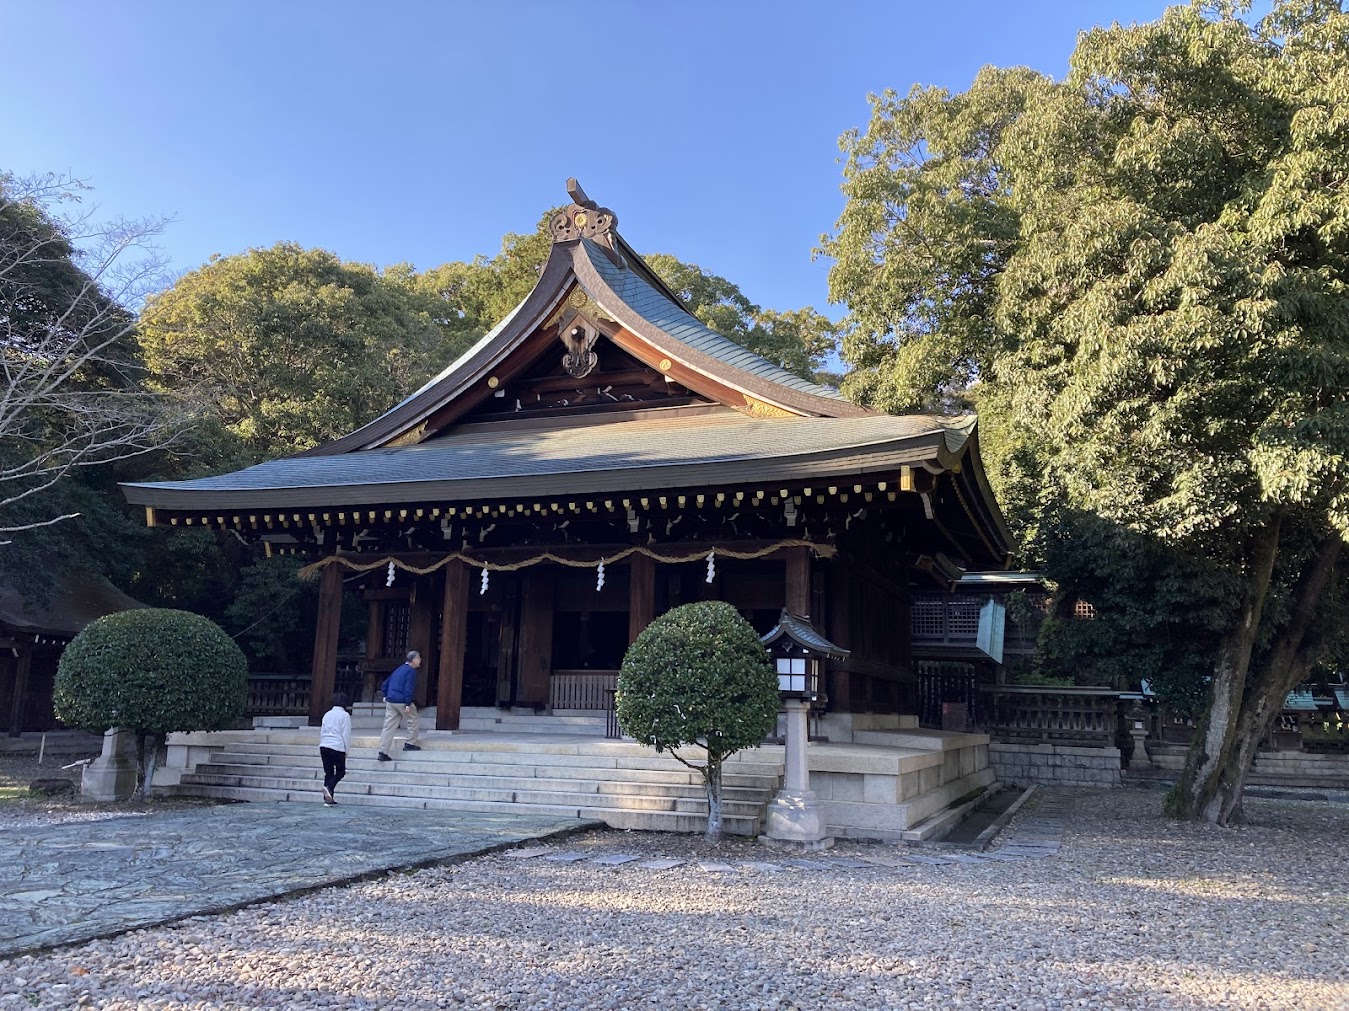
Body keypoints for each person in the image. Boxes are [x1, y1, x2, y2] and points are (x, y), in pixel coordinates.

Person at [378, 650, 422, 761]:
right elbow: (409, 688)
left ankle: (383, 751)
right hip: (402, 700)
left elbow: (385, 683)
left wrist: (385, 695)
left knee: (388, 726)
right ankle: (410, 743)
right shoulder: (411, 671)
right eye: (419, 658)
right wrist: (408, 703)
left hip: (391, 700)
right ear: (414, 660)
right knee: (413, 719)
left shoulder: (399, 669)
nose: (420, 660)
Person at [318, 691, 351, 806]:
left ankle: (328, 798)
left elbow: (322, 731)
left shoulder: (327, 714)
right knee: (341, 771)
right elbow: (346, 734)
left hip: (324, 745)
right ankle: (329, 787)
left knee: (329, 772)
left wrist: (321, 743)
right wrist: (347, 750)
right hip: (337, 746)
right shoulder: (345, 715)